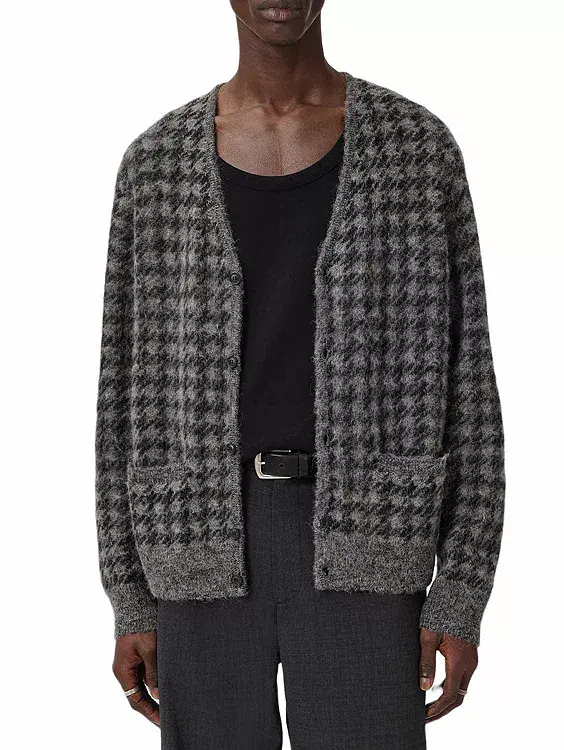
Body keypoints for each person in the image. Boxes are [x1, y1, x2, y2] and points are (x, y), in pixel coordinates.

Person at [95, 1, 505, 747]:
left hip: (373, 536)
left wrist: (461, 591)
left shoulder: (417, 150)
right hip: (197, 540)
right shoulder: (154, 166)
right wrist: (128, 594)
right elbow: (121, 394)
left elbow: (468, 380)